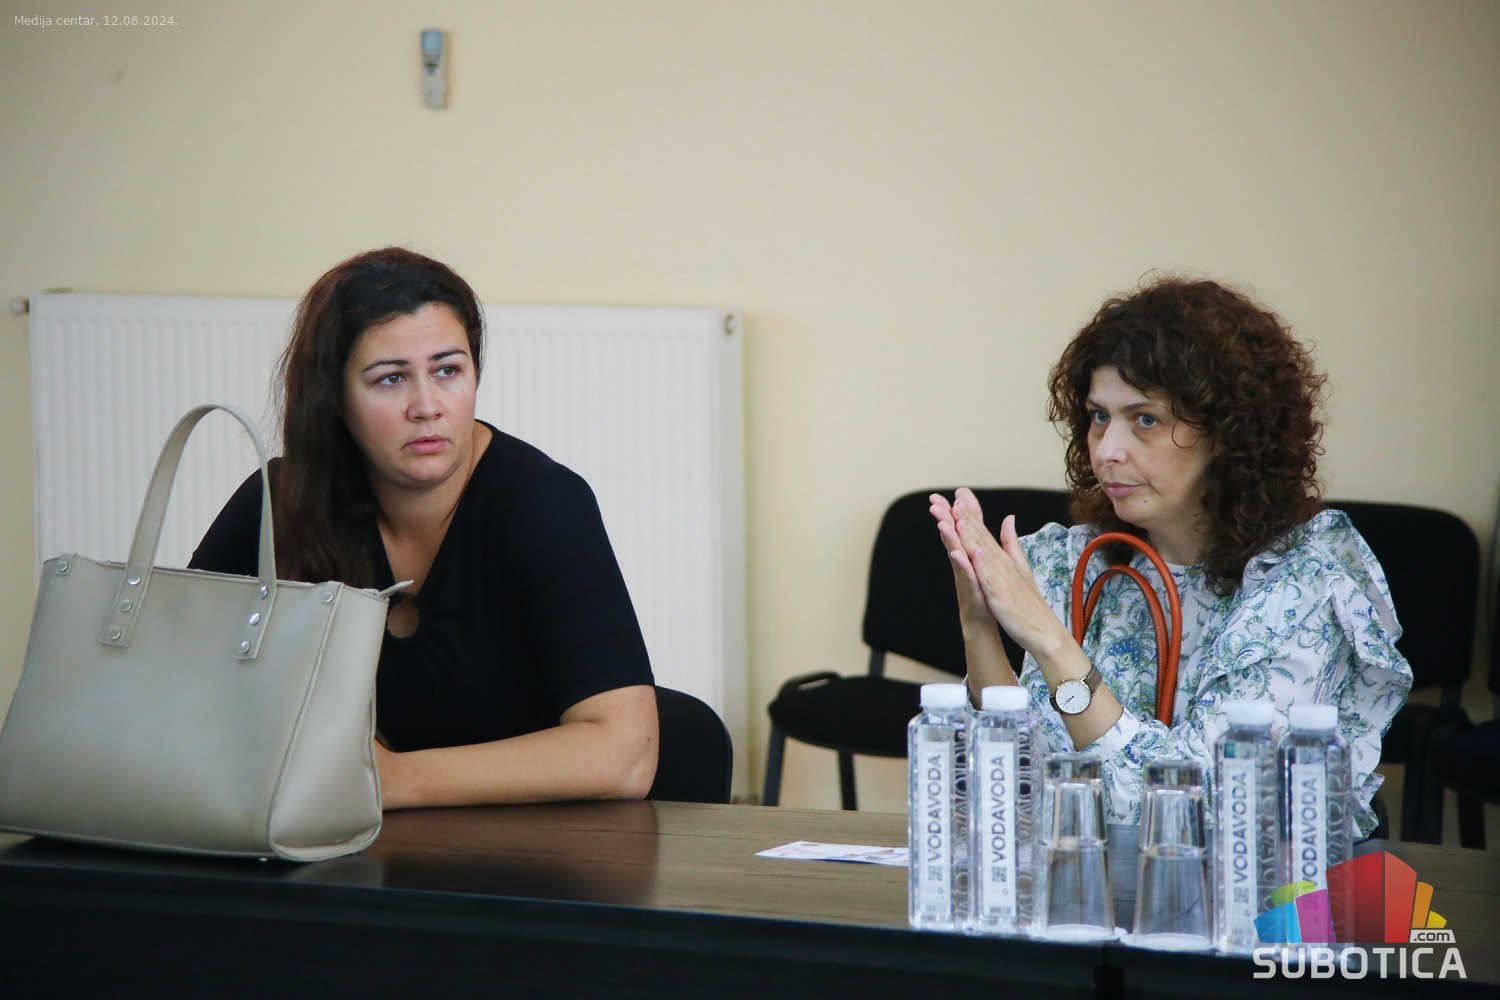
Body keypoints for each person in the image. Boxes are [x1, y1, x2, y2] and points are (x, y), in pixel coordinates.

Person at [930, 277, 1411, 837]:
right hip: (1084, 883)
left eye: (1146, 419)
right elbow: (1013, 796)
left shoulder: (1303, 586)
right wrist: (980, 630)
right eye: (1099, 416)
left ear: (1228, 434)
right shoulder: (1078, 563)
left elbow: (1189, 819)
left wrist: (1053, 645)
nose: (1108, 450)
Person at [191, 247, 658, 808]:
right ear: (334, 397)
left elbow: (626, 753)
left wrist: (389, 780)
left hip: (535, 846)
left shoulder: (544, 503)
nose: (427, 406)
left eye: (447, 370)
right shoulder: (280, 501)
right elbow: (174, 679)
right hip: (332, 841)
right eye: (390, 379)